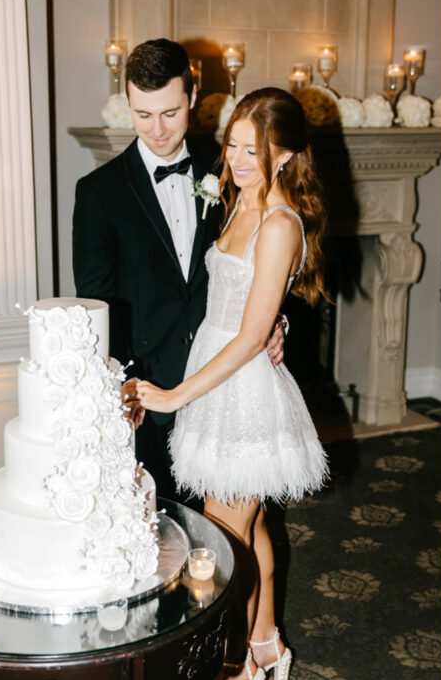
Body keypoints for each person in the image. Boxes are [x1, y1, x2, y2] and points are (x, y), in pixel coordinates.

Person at [135, 87, 329, 680]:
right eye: (234, 146)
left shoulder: (280, 223)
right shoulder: (235, 197)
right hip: (214, 378)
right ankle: (266, 643)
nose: (238, 161)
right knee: (249, 528)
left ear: (286, 155)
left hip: (242, 393)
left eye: (254, 151)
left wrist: (172, 396)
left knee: (220, 539)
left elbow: (252, 333)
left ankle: (234, 664)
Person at [72, 38, 284, 508]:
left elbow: (267, 263)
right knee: (164, 532)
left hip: (226, 380)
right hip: (152, 393)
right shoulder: (98, 192)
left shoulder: (232, 170)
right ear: (127, 103)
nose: (158, 130)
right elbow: (98, 302)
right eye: (142, 115)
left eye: (169, 112)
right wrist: (127, 384)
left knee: (231, 530)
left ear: (192, 97)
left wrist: (278, 324)